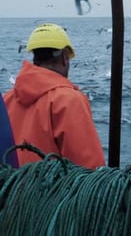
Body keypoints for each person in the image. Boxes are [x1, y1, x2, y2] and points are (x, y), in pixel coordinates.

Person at [2, 23, 105, 169]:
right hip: (53, 190)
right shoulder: (69, 100)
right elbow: (88, 168)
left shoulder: (6, 100)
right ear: (64, 57)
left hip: (13, 189)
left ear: (35, 57)